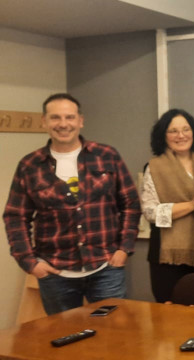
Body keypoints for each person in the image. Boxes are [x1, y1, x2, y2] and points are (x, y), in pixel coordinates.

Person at [3, 93, 141, 315]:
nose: (63, 124)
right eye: (55, 118)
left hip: (105, 267)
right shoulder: (30, 165)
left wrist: (124, 249)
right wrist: (29, 262)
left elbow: (131, 204)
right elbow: (14, 217)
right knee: (64, 339)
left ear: (80, 120)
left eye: (69, 117)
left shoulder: (106, 156)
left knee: (113, 337)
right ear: (44, 122)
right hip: (55, 273)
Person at [141, 109, 194, 303]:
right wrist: (193, 204)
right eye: (173, 131)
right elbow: (151, 213)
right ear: (163, 136)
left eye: (186, 129)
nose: (181, 135)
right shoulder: (154, 167)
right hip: (167, 257)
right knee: (170, 315)